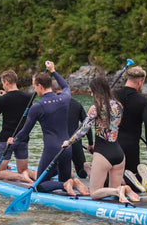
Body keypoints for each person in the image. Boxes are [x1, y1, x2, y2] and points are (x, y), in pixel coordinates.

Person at [8, 61, 88, 195]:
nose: (35, 89)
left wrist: (13, 141)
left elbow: (25, 132)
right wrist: (53, 71)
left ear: (39, 85)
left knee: (39, 185)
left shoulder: (37, 107)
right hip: (67, 148)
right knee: (64, 182)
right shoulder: (64, 98)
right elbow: (66, 86)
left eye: (34, 86)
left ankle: (65, 184)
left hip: (52, 150)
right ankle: (70, 183)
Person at [62, 76, 139, 203]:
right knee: (113, 195)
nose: (91, 94)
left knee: (95, 193)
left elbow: (83, 129)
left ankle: (118, 190)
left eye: (92, 91)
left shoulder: (95, 108)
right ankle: (122, 189)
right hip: (119, 154)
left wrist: (69, 142)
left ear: (96, 91)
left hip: (103, 153)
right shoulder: (119, 106)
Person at [114, 66, 147, 192]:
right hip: (132, 144)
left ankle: (123, 184)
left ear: (128, 78)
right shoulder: (143, 101)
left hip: (113, 142)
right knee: (132, 171)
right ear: (140, 82)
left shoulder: (113, 95)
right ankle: (139, 180)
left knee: (113, 174)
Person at [52, 81, 93, 179]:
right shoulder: (76, 104)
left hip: (59, 143)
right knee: (82, 173)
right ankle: (87, 167)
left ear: (52, 91)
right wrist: (91, 143)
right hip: (75, 142)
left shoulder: (51, 104)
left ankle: (68, 172)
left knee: (58, 172)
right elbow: (87, 125)